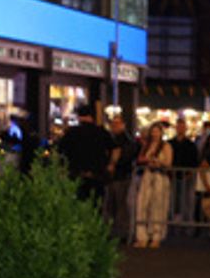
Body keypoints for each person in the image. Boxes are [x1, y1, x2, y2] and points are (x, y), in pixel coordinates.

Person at [56, 102, 114, 203]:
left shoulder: (71, 133)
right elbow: (115, 148)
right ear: (92, 116)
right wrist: (111, 164)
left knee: (78, 205)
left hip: (76, 175)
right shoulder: (101, 132)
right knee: (96, 206)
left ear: (79, 117)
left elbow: (60, 150)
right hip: (97, 175)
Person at [132, 122, 173, 249]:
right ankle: (142, 236)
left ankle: (156, 236)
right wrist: (147, 160)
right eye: (153, 131)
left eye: (157, 131)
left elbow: (168, 163)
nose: (154, 134)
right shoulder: (146, 145)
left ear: (161, 133)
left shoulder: (166, 146)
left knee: (157, 207)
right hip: (147, 176)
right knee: (142, 205)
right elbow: (139, 159)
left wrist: (159, 162)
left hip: (160, 177)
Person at [103, 114, 138, 243]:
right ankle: (112, 232)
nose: (114, 126)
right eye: (113, 124)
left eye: (117, 124)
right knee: (111, 205)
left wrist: (113, 161)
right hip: (112, 177)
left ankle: (121, 233)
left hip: (121, 176)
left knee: (120, 205)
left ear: (123, 125)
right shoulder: (112, 139)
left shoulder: (127, 141)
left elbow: (126, 157)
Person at [169, 117, 200, 233]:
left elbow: (194, 160)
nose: (180, 128)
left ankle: (186, 224)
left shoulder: (191, 145)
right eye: (178, 126)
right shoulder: (170, 143)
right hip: (174, 175)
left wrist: (190, 173)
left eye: (182, 126)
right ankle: (175, 223)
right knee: (174, 200)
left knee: (187, 200)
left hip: (187, 176)